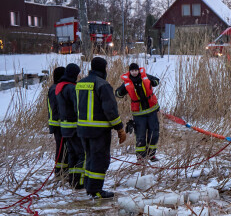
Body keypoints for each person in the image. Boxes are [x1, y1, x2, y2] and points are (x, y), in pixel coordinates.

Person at [76, 57, 126, 198]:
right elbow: (110, 110)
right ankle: (96, 190)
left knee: (90, 158)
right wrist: (119, 128)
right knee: (100, 160)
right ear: (103, 68)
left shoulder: (80, 84)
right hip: (98, 130)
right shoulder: (102, 85)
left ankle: (89, 187)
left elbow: (76, 106)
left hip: (82, 130)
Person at [115, 63, 160, 162]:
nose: (134, 72)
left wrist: (153, 82)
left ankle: (151, 155)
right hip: (138, 114)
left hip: (152, 111)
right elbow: (118, 93)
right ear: (130, 72)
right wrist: (120, 92)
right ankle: (140, 157)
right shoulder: (127, 82)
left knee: (154, 133)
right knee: (140, 135)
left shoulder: (146, 76)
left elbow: (157, 81)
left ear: (138, 70)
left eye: (136, 70)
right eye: (132, 71)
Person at [56, 63, 85, 189]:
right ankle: (79, 182)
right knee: (81, 154)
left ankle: (72, 180)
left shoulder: (59, 86)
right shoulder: (71, 88)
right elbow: (77, 107)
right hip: (74, 127)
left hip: (65, 127)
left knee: (72, 154)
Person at [47, 66, 67, 180]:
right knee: (61, 149)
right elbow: (57, 108)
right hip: (58, 124)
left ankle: (61, 172)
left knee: (62, 148)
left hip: (57, 124)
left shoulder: (54, 87)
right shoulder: (55, 89)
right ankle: (60, 173)